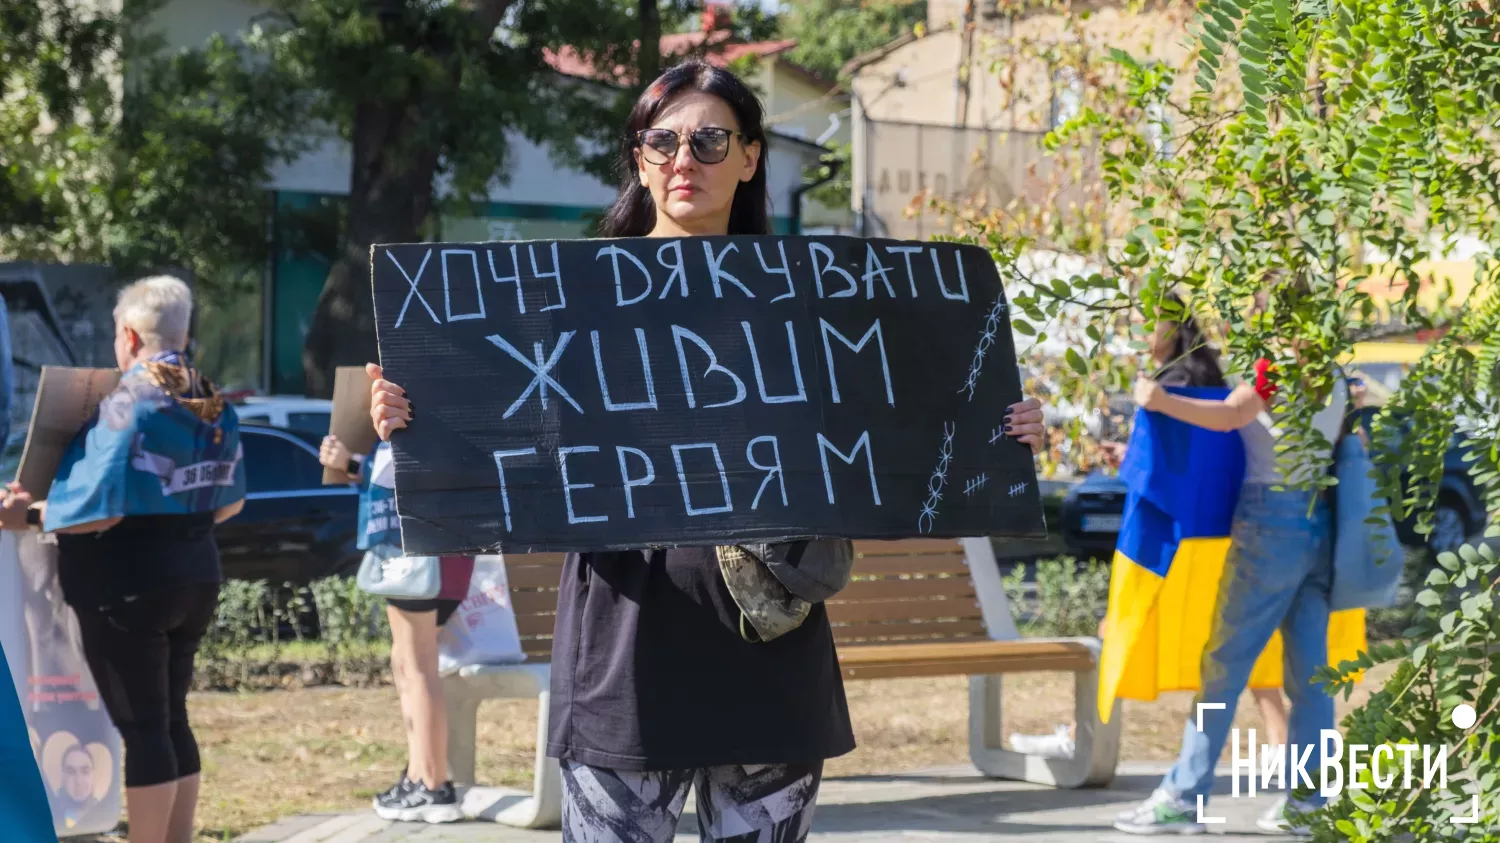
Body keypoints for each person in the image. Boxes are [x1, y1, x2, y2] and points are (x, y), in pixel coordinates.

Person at [366, 60, 1048, 843]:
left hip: (769, 653)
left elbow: (899, 430)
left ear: (752, 156)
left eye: (710, 139)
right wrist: (416, 421)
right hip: (624, 657)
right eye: (662, 141)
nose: (683, 159)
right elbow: (502, 442)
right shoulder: (565, 299)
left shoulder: (817, 296)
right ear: (639, 158)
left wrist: (1000, 436)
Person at [0, 275, 246, 843]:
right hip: (197, 574)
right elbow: (230, 502)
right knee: (173, 719)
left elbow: (98, 510)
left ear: (130, 335)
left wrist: (26, 516)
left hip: (128, 587)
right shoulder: (210, 397)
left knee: (143, 729)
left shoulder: (127, 402)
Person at [1012, 297, 1290, 761]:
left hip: (1165, 541)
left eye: (1147, 324)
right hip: (1219, 535)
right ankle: (1280, 743)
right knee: (1239, 641)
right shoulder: (1211, 379)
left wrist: (1148, 428)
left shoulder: (1167, 387)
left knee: (1119, 627)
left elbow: (1180, 461)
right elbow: (1202, 458)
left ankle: (1082, 738)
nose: (1140, 335)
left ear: (1174, 328)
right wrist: (1132, 456)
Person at [1113, 320, 1349, 835]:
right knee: (1311, 676)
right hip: (1319, 522)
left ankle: (1184, 797)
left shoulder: (1277, 364)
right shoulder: (1329, 366)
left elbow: (1231, 415)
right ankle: (1310, 802)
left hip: (1270, 525)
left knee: (1223, 665)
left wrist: (1158, 400)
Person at [318, 434, 473, 823]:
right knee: (407, 664)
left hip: (419, 553)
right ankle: (419, 774)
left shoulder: (417, 410)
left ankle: (434, 785)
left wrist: (351, 462)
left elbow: (400, 474)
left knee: (417, 666)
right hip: (444, 552)